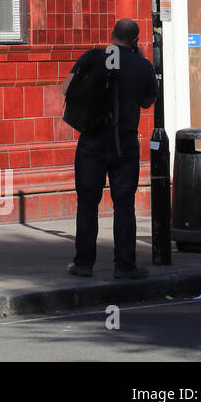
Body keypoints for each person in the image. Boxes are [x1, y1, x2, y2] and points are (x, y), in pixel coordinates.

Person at [63, 17, 157, 279]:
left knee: (87, 205)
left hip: (91, 142)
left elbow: (65, 89)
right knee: (124, 206)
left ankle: (83, 264)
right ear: (135, 40)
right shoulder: (142, 65)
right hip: (123, 145)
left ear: (112, 34)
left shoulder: (93, 56)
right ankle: (124, 266)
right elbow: (148, 101)